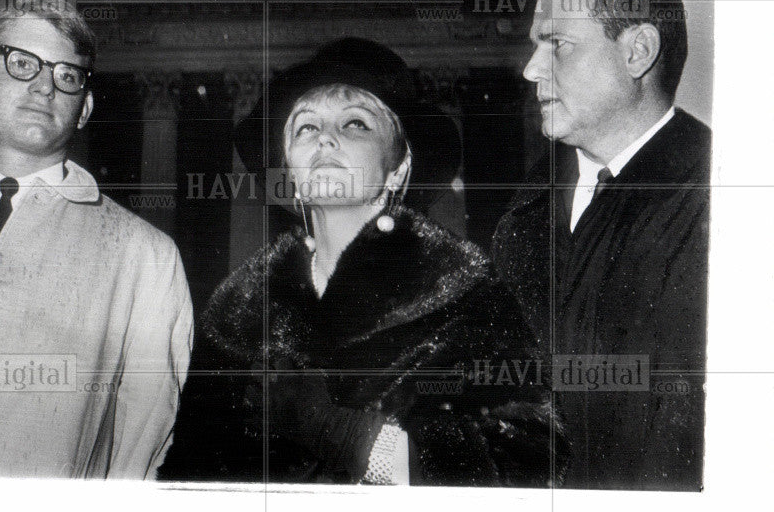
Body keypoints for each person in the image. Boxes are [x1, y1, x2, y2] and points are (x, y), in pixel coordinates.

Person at [159, 38, 565, 486]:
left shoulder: (463, 292)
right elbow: (188, 478)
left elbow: (528, 466)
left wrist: (355, 439)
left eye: (355, 124)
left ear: (398, 169)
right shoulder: (238, 307)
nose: (325, 139)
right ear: (289, 170)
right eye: (305, 128)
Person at [0, 0, 193, 478]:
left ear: (83, 108)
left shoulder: (145, 258)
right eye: (22, 63)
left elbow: (140, 446)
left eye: (66, 76)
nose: (44, 86)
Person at [492, 0, 710, 490]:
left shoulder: (721, 200)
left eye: (557, 44)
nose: (531, 69)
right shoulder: (527, 213)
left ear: (637, 51)